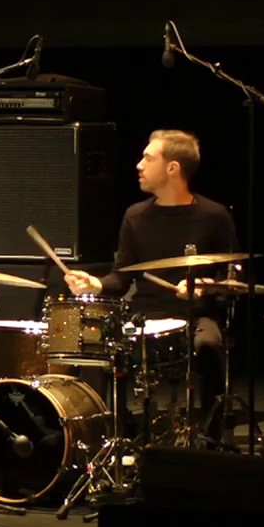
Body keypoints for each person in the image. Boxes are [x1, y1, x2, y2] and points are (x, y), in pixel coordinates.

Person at [64, 129, 239, 448]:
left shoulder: (214, 216)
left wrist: (204, 285)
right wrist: (95, 283)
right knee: (99, 344)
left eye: (148, 157)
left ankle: (215, 438)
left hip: (195, 318)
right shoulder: (135, 216)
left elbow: (234, 276)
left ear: (172, 167)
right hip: (145, 314)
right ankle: (102, 437)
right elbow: (121, 279)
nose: (138, 165)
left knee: (210, 346)